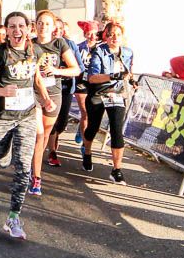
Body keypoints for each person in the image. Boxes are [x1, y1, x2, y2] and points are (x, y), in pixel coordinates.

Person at [0, 11, 55, 240]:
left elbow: (37, 79)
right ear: (7, 30)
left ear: (28, 28)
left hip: (27, 114)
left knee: (23, 166)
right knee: (3, 160)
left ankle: (14, 216)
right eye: (12, 26)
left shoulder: (34, 51)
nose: (17, 30)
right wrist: (3, 91)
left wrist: (45, 98)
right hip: (3, 116)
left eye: (21, 26)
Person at [30, 10, 81, 195]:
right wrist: (44, 97)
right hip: (34, 94)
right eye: (40, 23)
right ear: (35, 25)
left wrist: (57, 71)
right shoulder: (30, 45)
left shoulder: (60, 43)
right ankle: (37, 178)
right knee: (39, 135)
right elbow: (35, 76)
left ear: (53, 27)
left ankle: (33, 164)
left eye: (47, 23)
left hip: (55, 93)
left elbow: (75, 70)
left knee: (44, 138)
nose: (43, 26)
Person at [82, 21, 135, 185]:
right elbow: (92, 77)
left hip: (117, 94)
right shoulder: (98, 51)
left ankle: (117, 170)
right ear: (105, 36)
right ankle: (88, 151)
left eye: (118, 34)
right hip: (98, 92)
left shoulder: (128, 52)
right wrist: (113, 76)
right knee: (93, 127)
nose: (114, 38)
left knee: (117, 129)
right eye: (111, 34)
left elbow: (128, 71)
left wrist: (132, 81)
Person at [73, 20, 99, 148]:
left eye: (95, 33)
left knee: (92, 113)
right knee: (85, 112)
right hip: (81, 82)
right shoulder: (78, 47)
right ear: (85, 34)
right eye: (89, 33)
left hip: (95, 82)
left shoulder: (101, 48)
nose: (93, 37)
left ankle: (80, 128)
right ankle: (85, 145)